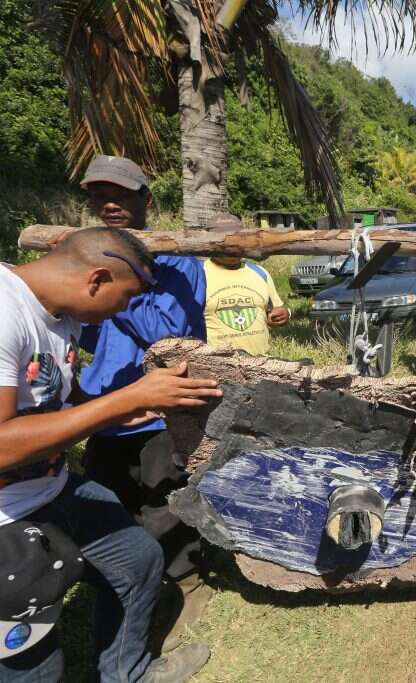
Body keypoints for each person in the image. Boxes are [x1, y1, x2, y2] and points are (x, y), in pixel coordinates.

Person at [0, 227, 221, 682]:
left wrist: (117, 414)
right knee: (34, 666)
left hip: (51, 486)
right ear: (97, 280)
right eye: (125, 299)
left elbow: (53, 397)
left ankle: (125, 674)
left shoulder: (62, 314)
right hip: (6, 521)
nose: (123, 311)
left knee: (136, 562)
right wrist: (119, 401)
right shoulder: (4, 312)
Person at [75, 155, 211, 654]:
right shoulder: (87, 260)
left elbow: (168, 336)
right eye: (99, 194)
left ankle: (181, 591)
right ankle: (119, 598)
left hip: (159, 411)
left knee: (165, 507)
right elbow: (87, 334)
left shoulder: (179, 263)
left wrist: (120, 283)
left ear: (145, 200)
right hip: (105, 410)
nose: (110, 204)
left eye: (123, 195)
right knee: (109, 509)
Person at [202, 213, 290, 355]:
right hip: (218, 367)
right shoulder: (198, 275)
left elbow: (276, 312)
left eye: (236, 238)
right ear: (210, 242)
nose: (231, 244)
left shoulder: (259, 272)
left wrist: (283, 316)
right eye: (223, 239)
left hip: (262, 366)